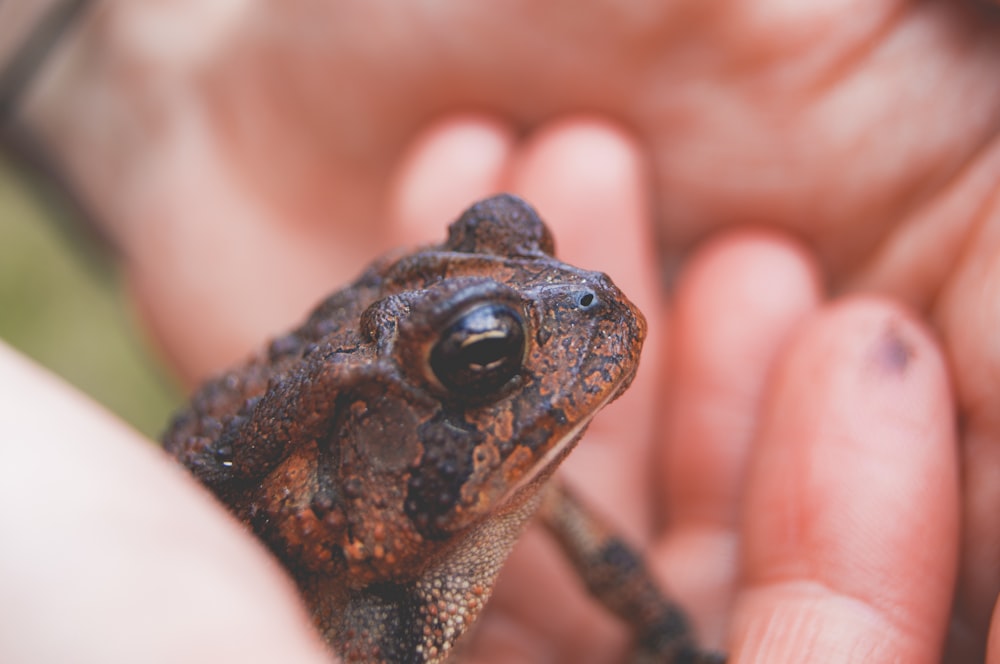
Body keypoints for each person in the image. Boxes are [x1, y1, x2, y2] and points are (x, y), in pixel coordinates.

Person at [1, 2, 998, 662]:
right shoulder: (354, 609)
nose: (587, 303)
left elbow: (606, 562)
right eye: (488, 357)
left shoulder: (501, 479)